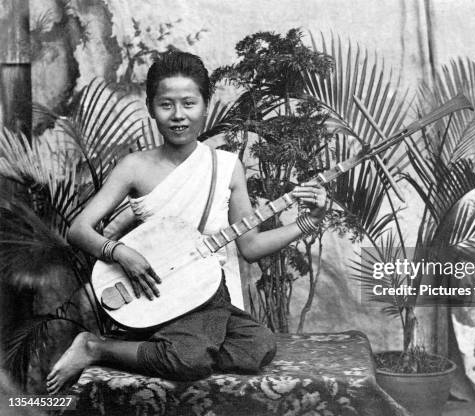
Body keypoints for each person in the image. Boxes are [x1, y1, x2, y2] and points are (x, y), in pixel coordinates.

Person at [46, 50, 327, 393]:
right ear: (151, 107)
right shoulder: (135, 166)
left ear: (205, 105)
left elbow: (250, 247)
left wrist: (308, 222)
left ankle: (167, 341)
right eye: (166, 105)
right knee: (189, 361)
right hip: (157, 292)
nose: (178, 116)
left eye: (189, 103)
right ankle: (95, 346)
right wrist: (121, 253)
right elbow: (78, 229)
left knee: (257, 347)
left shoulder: (226, 166)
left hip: (208, 293)